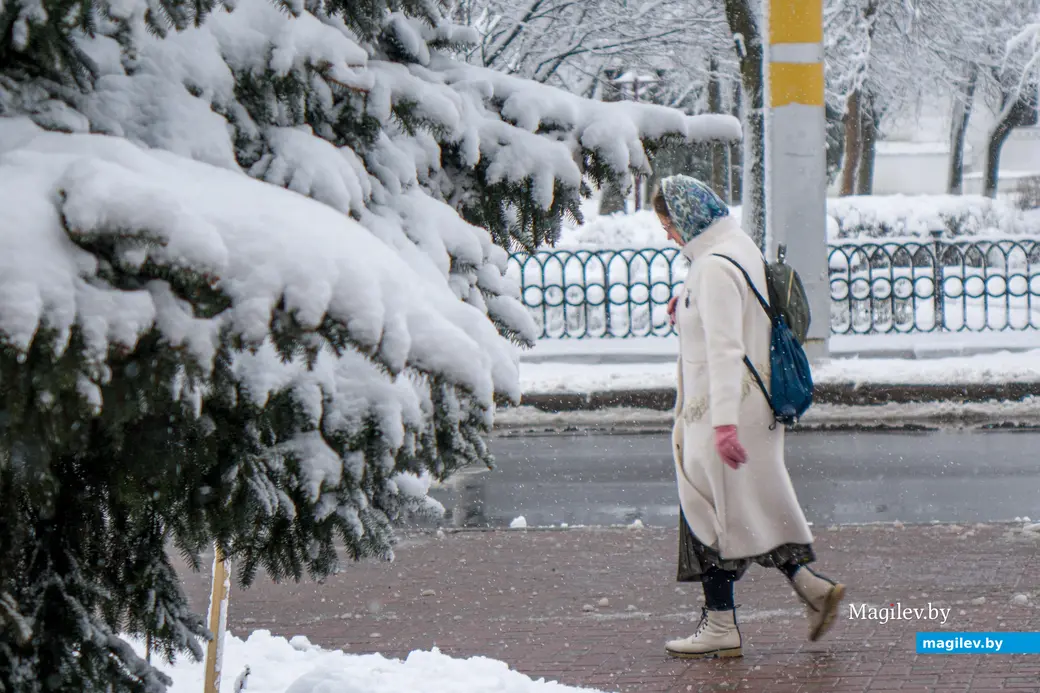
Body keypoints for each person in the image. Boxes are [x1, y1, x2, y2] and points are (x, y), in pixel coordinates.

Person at [655, 174, 845, 659]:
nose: (668, 234)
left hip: (724, 407)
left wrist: (721, 426)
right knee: (743, 506)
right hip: (751, 403)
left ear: (686, 217)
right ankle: (811, 588)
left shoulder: (713, 267)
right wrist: (688, 306)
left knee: (707, 510)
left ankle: (720, 624)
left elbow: (724, 347)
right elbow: (737, 317)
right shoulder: (735, 246)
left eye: (669, 223)